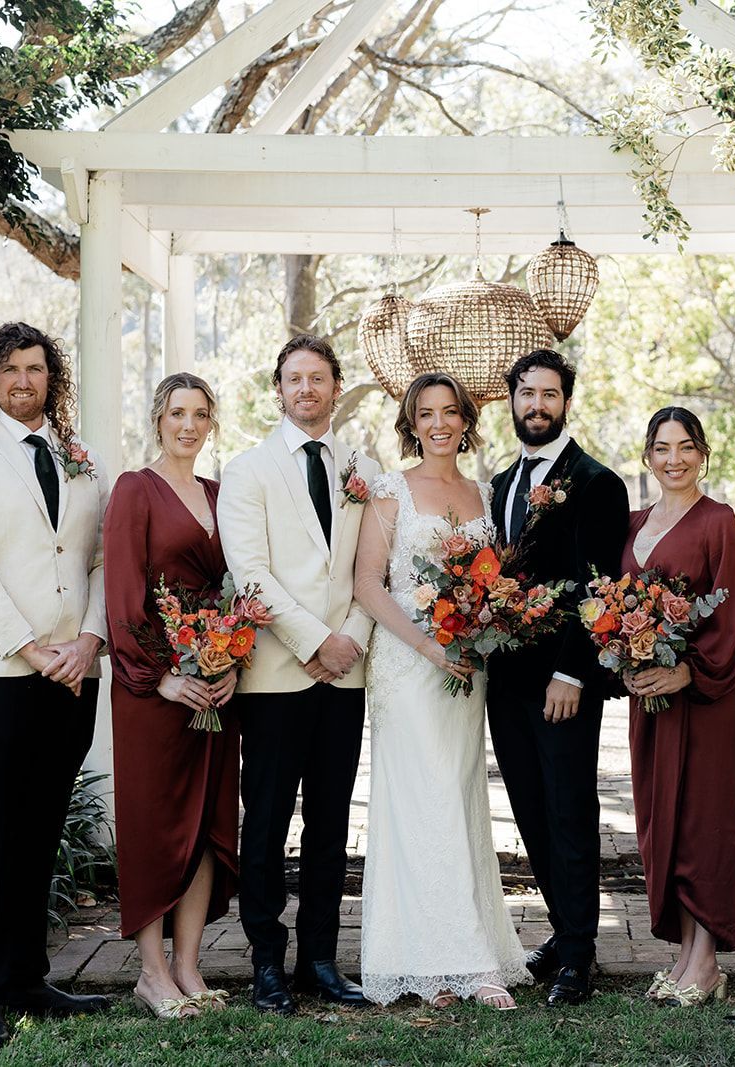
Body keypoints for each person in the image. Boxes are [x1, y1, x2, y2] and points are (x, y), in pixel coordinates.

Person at [0, 322, 112, 1048]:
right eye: (10, 369)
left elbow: (99, 558)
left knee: (42, 826)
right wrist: (35, 649)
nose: (24, 380)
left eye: (36, 368)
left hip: (73, 672)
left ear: (51, 377)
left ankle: (30, 976)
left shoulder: (79, 457)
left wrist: (87, 640)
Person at [352, 372, 532, 1010]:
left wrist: (481, 626)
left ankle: (466, 955)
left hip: (467, 666)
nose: (438, 424)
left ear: (465, 420)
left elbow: (493, 581)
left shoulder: (484, 492)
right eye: (425, 413)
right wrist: (427, 644)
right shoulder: (388, 490)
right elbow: (369, 584)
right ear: (411, 421)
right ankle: (429, 962)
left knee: (457, 797)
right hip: (407, 666)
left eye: (450, 413)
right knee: (417, 800)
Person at [218, 334, 381, 1015]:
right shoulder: (247, 470)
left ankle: (320, 957)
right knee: (267, 823)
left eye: (318, 377)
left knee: (331, 822)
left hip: (344, 674)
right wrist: (315, 640)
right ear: (277, 390)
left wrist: (350, 640)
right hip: (278, 676)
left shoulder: (364, 467)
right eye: (294, 379)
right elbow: (251, 568)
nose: (307, 389)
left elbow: (379, 568)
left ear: (336, 386)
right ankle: (266, 961)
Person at [487, 349, 630, 1007]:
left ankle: (579, 955)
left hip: (562, 681)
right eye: (526, 394)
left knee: (569, 811)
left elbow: (598, 587)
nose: (536, 405)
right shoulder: (500, 483)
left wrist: (574, 671)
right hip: (506, 679)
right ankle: (564, 929)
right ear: (512, 401)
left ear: (565, 402)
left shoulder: (597, 483)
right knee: (531, 813)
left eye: (548, 394)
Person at [103, 373, 240, 1019]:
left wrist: (230, 661)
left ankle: (188, 966)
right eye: (178, 412)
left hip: (212, 687)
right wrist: (159, 674)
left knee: (209, 825)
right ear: (158, 417)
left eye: (201, 414)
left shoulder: (220, 493)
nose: (189, 424)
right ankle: (150, 973)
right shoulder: (136, 489)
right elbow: (125, 594)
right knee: (156, 828)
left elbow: (234, 595)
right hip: (153, 691)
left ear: (212, 422)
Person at [619, 407, 735, 1008]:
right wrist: (625, 659)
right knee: (659, 821)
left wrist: (686, 670)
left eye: (686, 447)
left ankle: (705, 963)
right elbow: (615, 608)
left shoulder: (720, 523)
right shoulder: (634, 523)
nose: (674, 459)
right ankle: (683, 955)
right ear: (647, 456)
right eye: (662, 448)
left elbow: (730, 616)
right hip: (648, 702)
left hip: (702, 697)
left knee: (701, 822)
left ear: (703, 453)